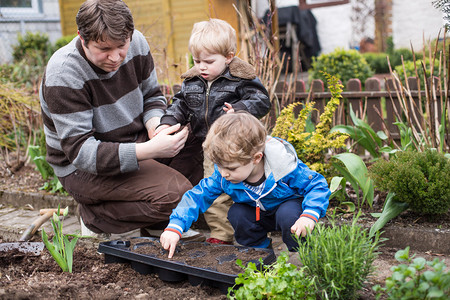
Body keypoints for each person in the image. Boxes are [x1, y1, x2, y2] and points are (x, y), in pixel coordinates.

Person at [39, 0, 203, 241]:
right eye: (104, 49)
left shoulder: (137, 42)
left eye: (121, 46)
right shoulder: (64, 73)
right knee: (178, 196)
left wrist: (155, 125)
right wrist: (148, 150)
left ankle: (159, 221)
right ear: (82, 38)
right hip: (83, 167)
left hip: (134, 139)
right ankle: (95, 216)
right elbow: (82, 153)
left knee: (193, 133)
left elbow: (152, 96)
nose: (115, 57)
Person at [155, 19, 271, 245]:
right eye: (197, 61)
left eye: (209, 61)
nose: (202, 67)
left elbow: (262, 100)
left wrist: (240, 109)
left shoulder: (240, 79)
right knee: (216, 190)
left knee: (244, 187)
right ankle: (221, 235)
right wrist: (168, 120)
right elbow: (180, 103)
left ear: (228, 57)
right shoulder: (193, 81)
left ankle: (254, 230)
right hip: (209, 146)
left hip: (237, 144)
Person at [160, 112, 330, 258]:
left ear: (256, 158)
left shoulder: (285, 168)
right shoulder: (223, 175)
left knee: (288, 215)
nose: (224, 173)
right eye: (219, 165)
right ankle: (259, 254)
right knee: (238, 213)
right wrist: (175, 226)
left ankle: (306, 254)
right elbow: (196, 196)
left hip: (288, 210)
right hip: (257, 213)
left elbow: (317, 185)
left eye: (231, 168)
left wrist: (309, 215)